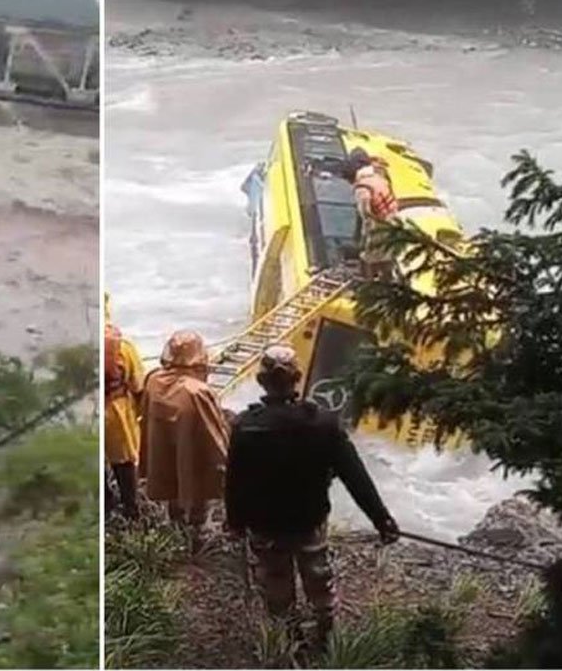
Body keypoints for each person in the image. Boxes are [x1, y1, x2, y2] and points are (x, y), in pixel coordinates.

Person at [225, 344, 400, 644]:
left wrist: (235, 522)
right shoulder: (324, 423)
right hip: (309, 519)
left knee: (275, 581)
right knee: (318, 575)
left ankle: (285, 638)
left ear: (261, 381)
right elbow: (355, 476)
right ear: (298, 378)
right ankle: (325, 633)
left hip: (265, 524)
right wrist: (381, 519)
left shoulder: (246, 426)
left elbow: (235, 483)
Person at [140, 330, 231, 550]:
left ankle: (175, 530)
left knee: (171, 489)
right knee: (197, 489)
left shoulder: (153, 380)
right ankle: (198, 537)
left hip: (162, 451)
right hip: (193, 451)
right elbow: (214, 432)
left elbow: (144, 418)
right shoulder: (197, 391)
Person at [104, 293, 146, 521]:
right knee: (125, 462)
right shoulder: (122, 346)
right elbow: (137, 383)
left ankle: (105, 506)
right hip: (116, 410)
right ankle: (131, 509)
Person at [343, 147, 399, 280]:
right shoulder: (378, 176)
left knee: (367, 257)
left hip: (379, 224)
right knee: (387, 254)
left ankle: (369, 285)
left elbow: (366, 215)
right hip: (393, 220)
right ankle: (389, 281)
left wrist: (362, 240)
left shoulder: (362, 188)